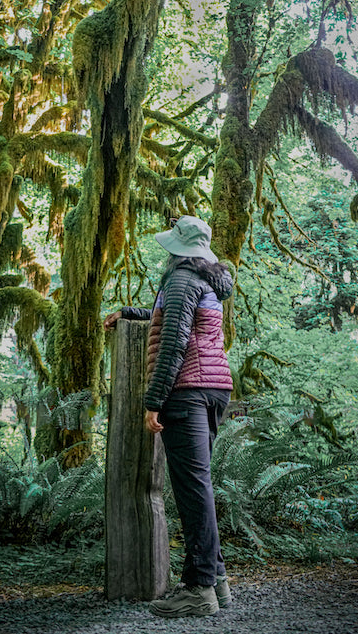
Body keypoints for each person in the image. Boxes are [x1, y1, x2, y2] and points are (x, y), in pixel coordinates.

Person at [105, 215, 234, 618]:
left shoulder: (180, 279)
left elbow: (175, 341)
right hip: (214, 389)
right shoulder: (205, 279)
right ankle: (217, 581)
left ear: (179, 247)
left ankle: (199, 589)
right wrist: (132, 311)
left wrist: (153, 400)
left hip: (188, 392)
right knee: (200, 485)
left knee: (193, 489)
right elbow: (178, 319)